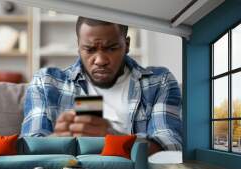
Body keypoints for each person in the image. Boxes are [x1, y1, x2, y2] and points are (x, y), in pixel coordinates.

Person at [20, 16, 182, 154]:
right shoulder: (46, 82)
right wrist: (59, 139)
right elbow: (26, 148)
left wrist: (112, 138)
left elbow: (170, 146)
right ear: (78, 46)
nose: (100, 60)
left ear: (126, 45)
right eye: (90, 49)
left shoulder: (159, 81)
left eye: (111, 48)